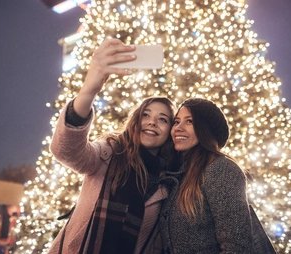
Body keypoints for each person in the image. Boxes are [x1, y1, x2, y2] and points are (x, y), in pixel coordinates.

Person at [47, 38, 176, 254]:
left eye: (163, 119)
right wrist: (89, 89)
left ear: (170, 131)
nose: (152, 122)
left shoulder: (168, 182)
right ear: (135, 121)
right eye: (146, 115)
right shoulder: (110, 152)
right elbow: (66, 150)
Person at [159, 98, 256, 253]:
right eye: (176, 122)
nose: (178, 128)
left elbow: (237, 247)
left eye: (189, 121)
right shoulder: (179, 173)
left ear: (206, 129)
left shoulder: (221, 169)